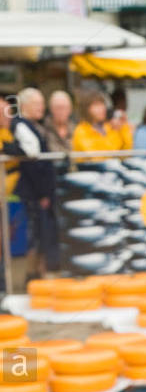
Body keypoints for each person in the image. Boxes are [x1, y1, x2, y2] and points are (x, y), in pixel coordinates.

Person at [9, 87, 61, 277]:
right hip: (34, 192)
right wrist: (42, 193)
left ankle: (38, 274)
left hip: (38, 191)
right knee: (36, 235)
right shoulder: (21, 125)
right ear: (25, 106)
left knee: (41, 234)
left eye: (42, 103)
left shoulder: (33, 125)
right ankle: (33, 276)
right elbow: (32, 160)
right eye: (37, 104)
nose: (42, 107)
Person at [71, 91, 133, 156]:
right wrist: (115, 132)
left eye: (103, 104)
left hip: (113, 164)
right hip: (93, 166)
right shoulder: (81, 131)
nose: (102, 108)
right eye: (96, 105)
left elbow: (127, 151)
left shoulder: (109, 127)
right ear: (86, 109)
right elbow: (97, 156)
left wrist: (123, 126)